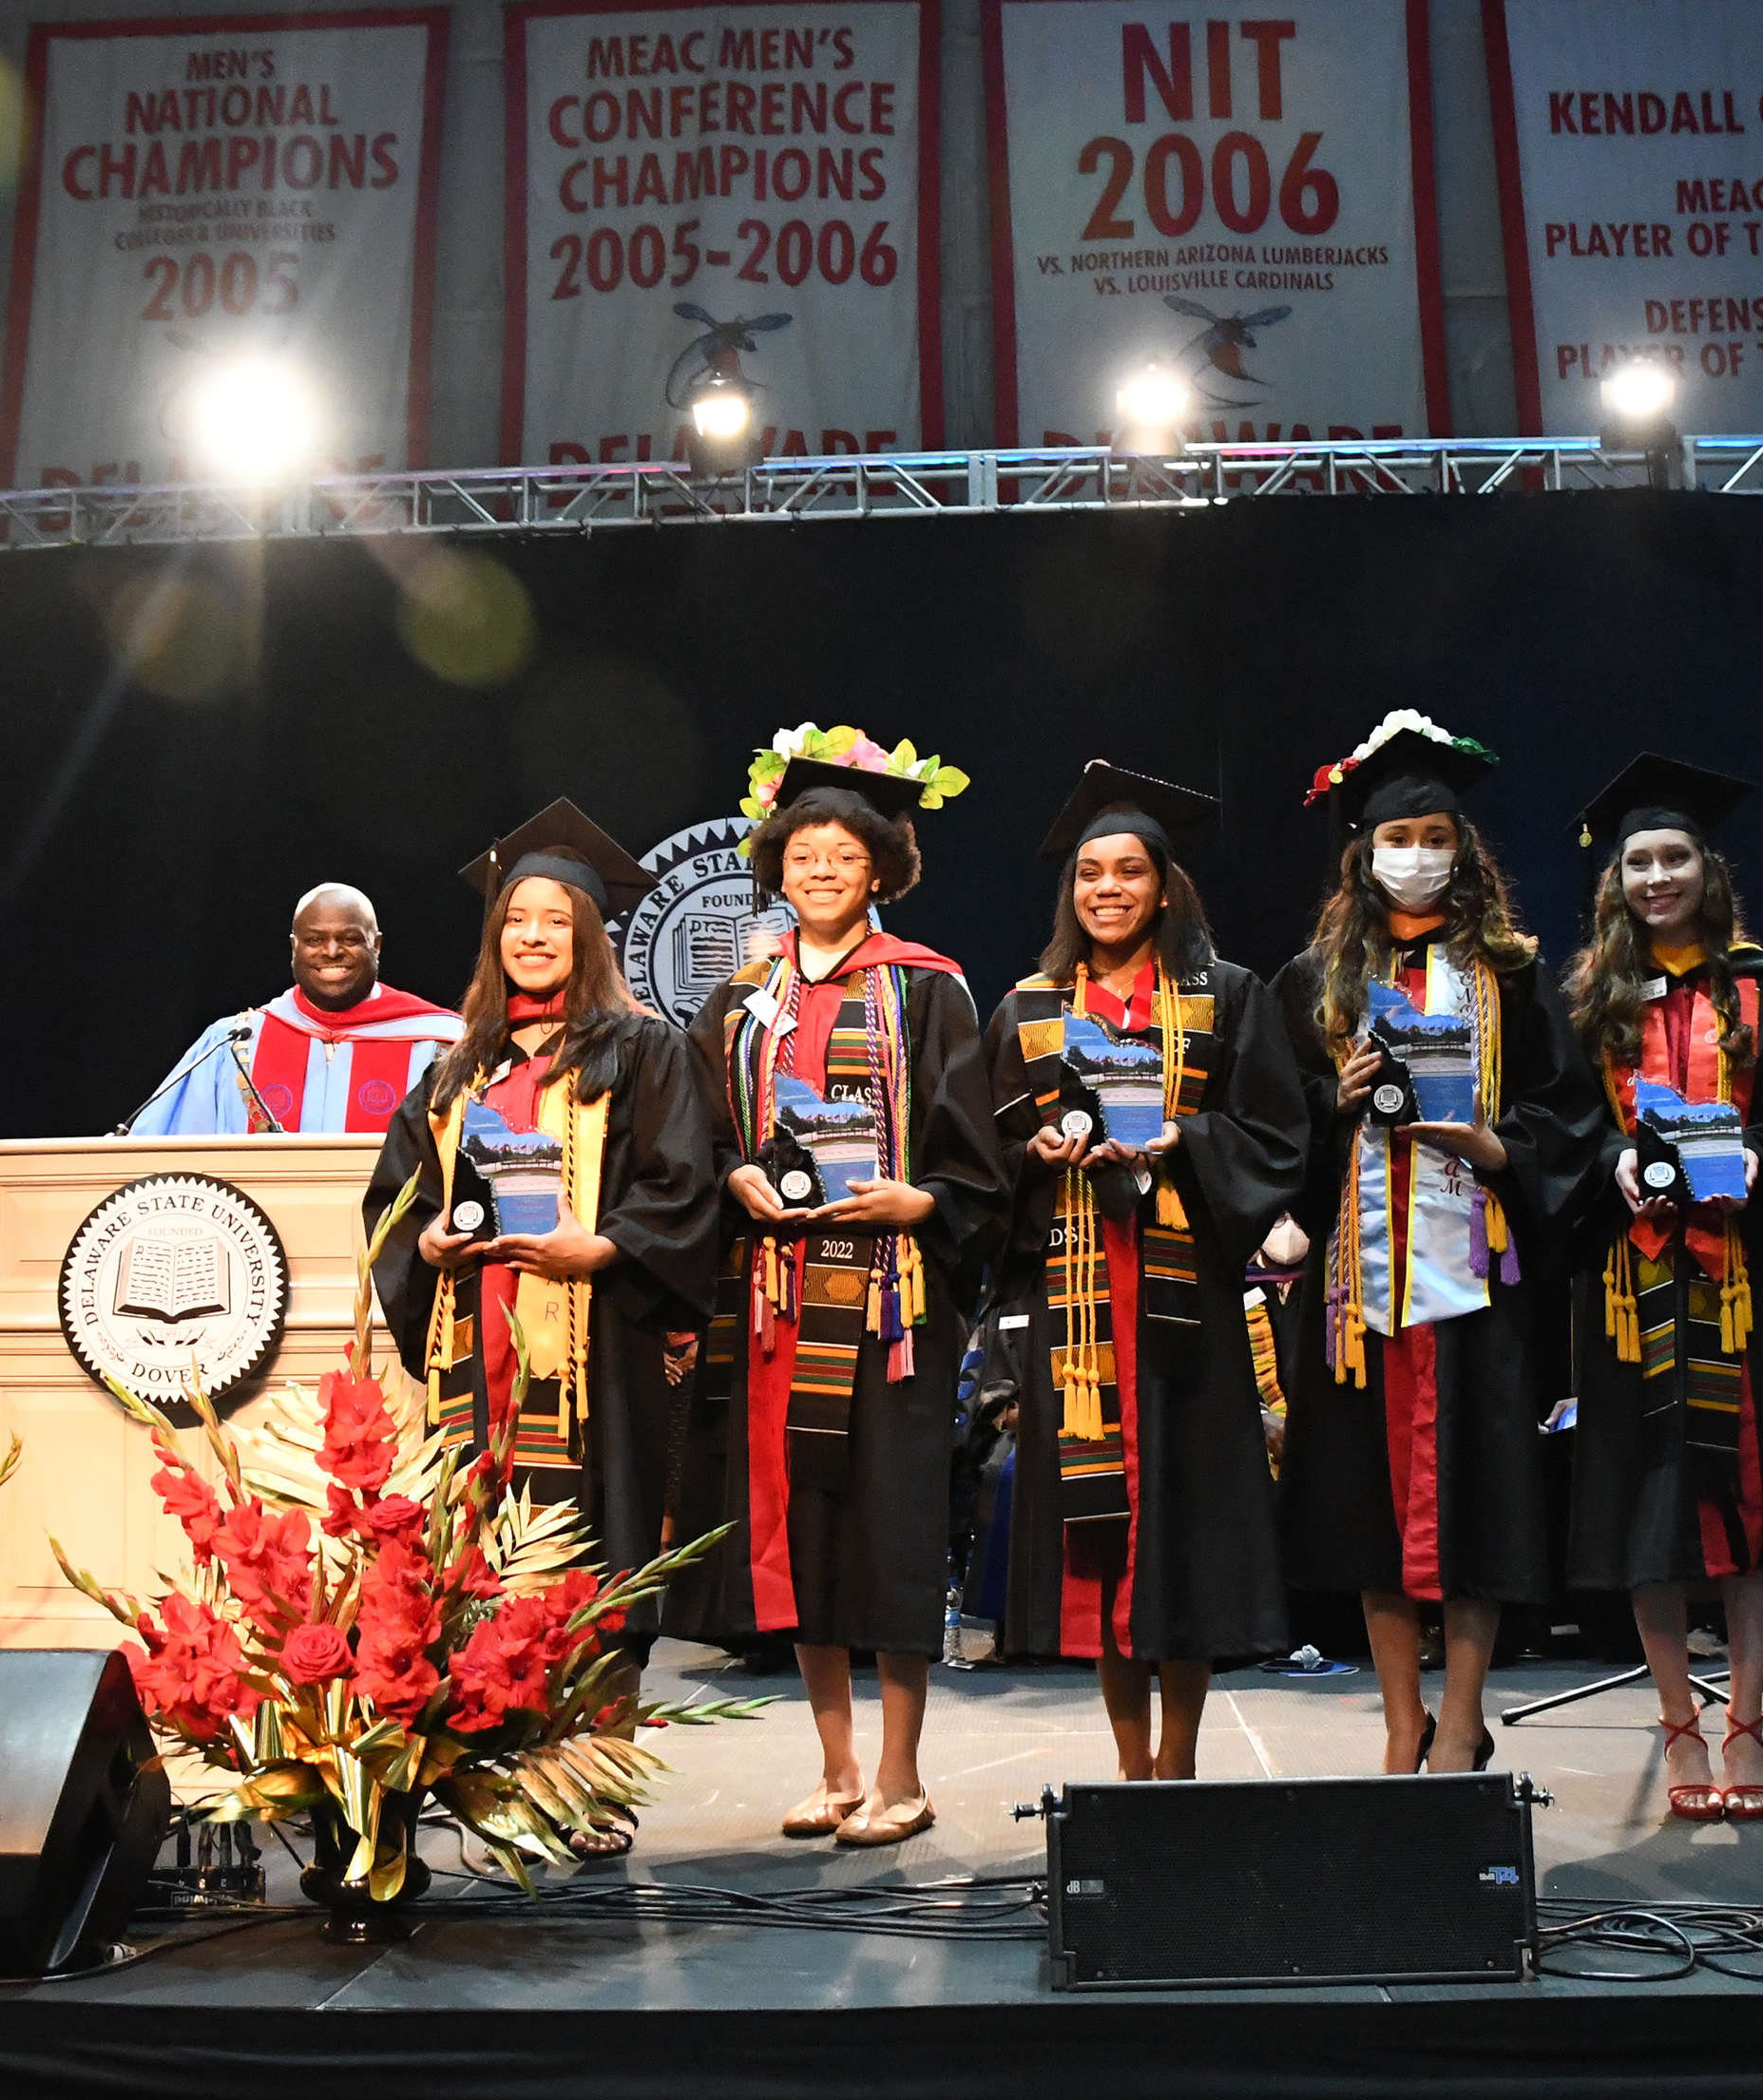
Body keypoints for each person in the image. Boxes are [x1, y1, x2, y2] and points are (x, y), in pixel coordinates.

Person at [365, 800, 726, 1854]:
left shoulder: (642, 1051)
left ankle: (592, 1780)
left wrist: (604, 1247)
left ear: (586, 938)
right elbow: (394, 1195)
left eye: (553, 921)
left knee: (592, 1566)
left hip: (594, 1350)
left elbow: (682, 1186)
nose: (531, 935)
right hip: (469, 1349)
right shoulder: (454, 1065)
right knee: (477, 1565)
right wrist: (424, 1243)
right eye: (516, 919)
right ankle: (499, 1780)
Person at [668, 740, 1005, 1848]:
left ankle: (902, 1771)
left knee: (891, 1527)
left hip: (889, 1307)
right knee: (799, 1528)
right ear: (777, 866)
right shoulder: (737, 1001)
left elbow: (973, 1150)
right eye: (804, 853)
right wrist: (736, 1174)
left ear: (882, 868)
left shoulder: (927, 985)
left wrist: (925, 1204)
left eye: (845, 854)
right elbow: (708, 1136)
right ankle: (835, 1764)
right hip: (774, 1297)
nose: (821, 869)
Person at [1272, 715, 1604, 1775]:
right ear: (1362, 853)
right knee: (1369, 1508)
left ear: (1462, 851)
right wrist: (1337, 1098)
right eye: (1395, 834)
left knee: (1477, 1502)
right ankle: (1397, 1718)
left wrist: (1494, 1142)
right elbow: (1276, 1123)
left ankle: (1461, 1719)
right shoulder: (1313, 981)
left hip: (1475, 1284)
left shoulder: (1508, 972)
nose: (1415, 851)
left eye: (1434, 833)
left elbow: (1571, 1114)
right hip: (1351, 1294)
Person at [971, 763, 1306, 1780]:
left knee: (1184, 1537)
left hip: (1183, 1308)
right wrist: (1035, 1155)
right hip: (1074, 1308)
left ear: (1164, 886)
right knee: (1099, 1532)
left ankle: (1181, 1760)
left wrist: (1179, 1137)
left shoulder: (1226, 995)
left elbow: (1274, 1134)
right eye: (1088, 874)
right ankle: (1129, 1769)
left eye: (1127, 871)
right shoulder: (1028, 1006)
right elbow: (977, 1152)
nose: (1106, 889)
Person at [1559, 754, 1763, 1824]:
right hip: (1634, 1281)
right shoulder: (1592, 997)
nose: (1656, 875)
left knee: (1750, 1494)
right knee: (1650, 1499)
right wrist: (1609, 1164)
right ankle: (1678, 1715)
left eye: (1675, 856)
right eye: (1638, 860)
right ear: (1615, 877)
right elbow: (1565, 1127)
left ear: (1708, 869)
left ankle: (1745, 1720)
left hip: (1745, 1276)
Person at [126, 883, 462, 1136]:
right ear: (294, 947)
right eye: (314, 940)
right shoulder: (233, 1045)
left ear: (376, 945)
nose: (331, 952)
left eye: (349, 939)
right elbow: (156, 1154)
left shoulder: (440, 1044)